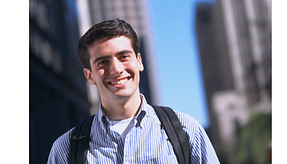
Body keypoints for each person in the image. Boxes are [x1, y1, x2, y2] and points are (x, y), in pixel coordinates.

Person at [47, 18, 220, 163]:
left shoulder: (186, 131)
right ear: (89, 75)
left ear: (139, 62)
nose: (116, 69)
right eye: (103, 62)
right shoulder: (65, 150)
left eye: (123, 57)